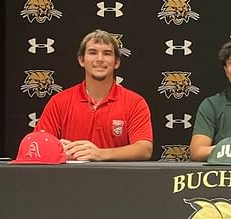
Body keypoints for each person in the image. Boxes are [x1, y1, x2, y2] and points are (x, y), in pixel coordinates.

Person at [34, 29, 153, 161]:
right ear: (81, 60)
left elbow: (144, 149)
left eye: (107, 53)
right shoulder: (59, 101)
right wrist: (56, 148)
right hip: (69, 180)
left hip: (117, 180)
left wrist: (100, 154)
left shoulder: (134, 102)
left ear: (117, 62)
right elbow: (37, 145)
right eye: (93, 52)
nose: (100, 59)